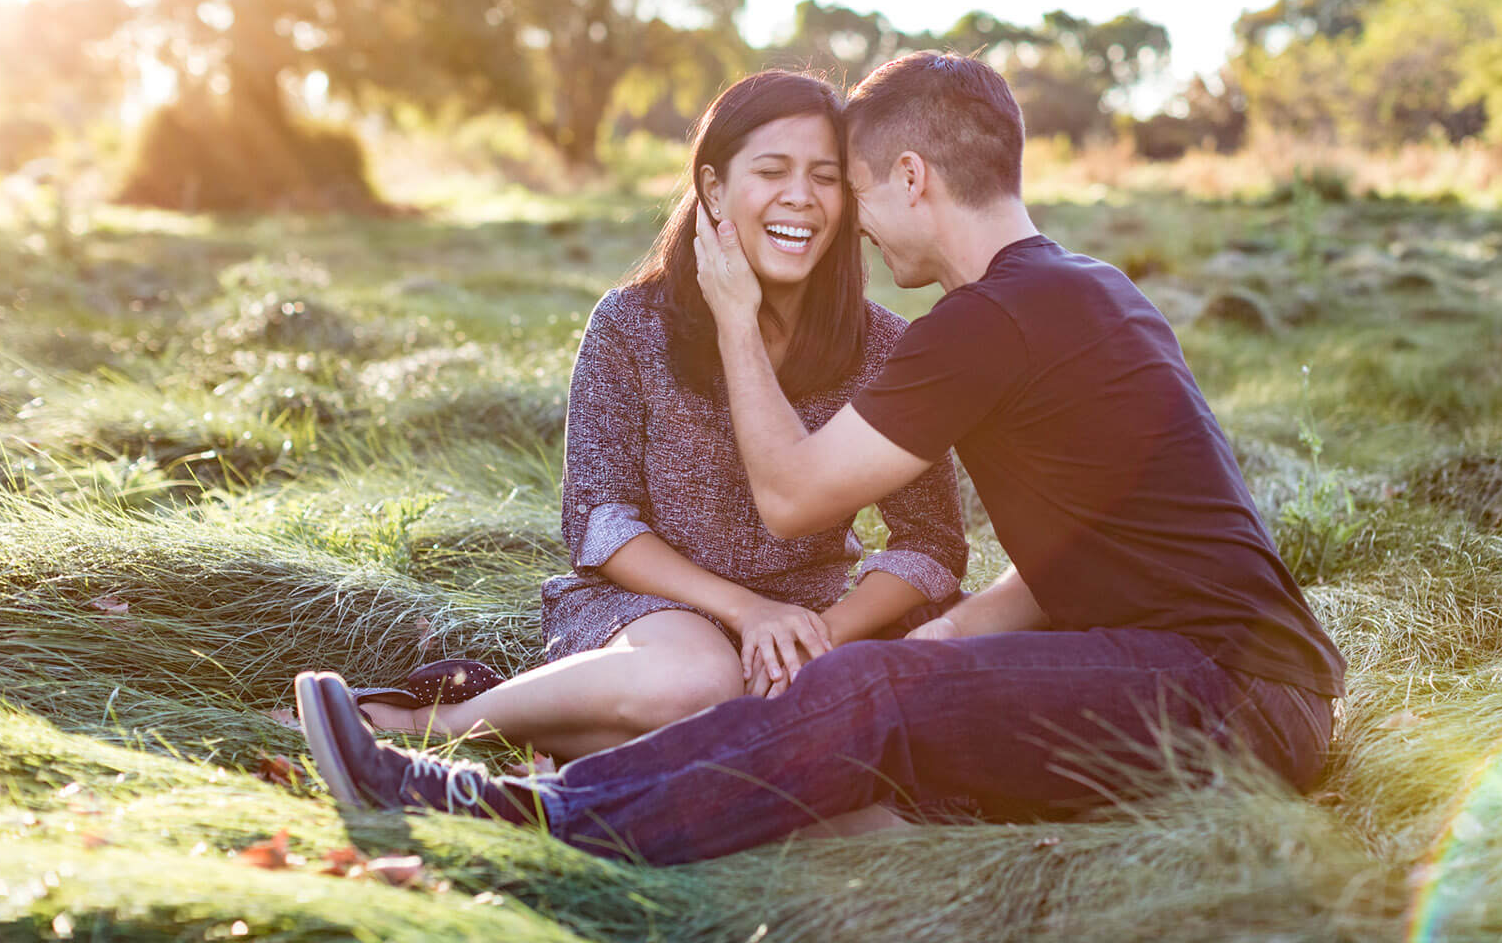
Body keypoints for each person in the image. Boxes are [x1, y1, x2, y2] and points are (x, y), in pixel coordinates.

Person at [294, 52, 1347, 866]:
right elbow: (1070, 555)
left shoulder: (981, 325)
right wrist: (938, 647)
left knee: (879, 696)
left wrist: (741, 323)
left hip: (1219, 694)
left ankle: (509, 809)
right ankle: (635, 770)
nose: (857, 226)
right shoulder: (1091, 289)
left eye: (849, 184)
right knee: (884, 726)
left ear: (911, 176)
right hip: (1254, 692)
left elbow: (795, 499)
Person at [352, 70, 966, 762]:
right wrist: (747, 611)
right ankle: (426, 724)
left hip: (806, 622)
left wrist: (818, 631)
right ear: (712, 189)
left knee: (838, 716)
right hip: (643, 611)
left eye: (826, 177)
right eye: (771, 170)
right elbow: (598, 519)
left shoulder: (884, 346)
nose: (801, 196)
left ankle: (565, 738)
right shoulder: (629, 324)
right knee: (700, 682)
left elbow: (932, 543)